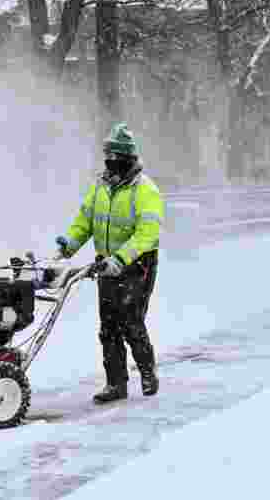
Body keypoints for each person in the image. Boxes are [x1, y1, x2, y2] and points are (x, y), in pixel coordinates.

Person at [55, 122, 165, 404]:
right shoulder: (100, 187)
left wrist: (121, 259)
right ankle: (116, 384)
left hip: (137, 265)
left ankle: (147, 370)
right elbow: (85, 221)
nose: (111, 164)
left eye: (116, 158)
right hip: (106, 265)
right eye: (108, 158)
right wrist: (69, 245)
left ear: (128, 159)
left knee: (131, 321)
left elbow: (147, 234)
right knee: (108, 328)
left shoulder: (145, 190)